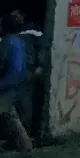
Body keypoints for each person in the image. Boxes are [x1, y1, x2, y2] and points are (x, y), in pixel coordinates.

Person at [14, 9, 47, 140]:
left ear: (23, 16)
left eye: (17, 15)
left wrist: (40, 65)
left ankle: (26, 133)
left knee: (26, 102)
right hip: (14, 71)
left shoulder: (33, 30)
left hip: (29, 69)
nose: (15, 18)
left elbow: (42, 47)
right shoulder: (10, 31)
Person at [0, 12, 31, 127]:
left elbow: (16, 70)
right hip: (19, 86)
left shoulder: (7, 43)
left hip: (12, 88)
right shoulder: (18, 41)